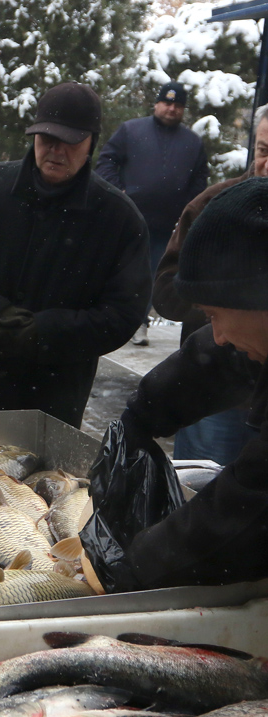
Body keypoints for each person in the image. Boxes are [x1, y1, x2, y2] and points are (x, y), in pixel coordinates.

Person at [0, 82, 150, 428]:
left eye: (70, 142)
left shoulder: (118, 219)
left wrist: (44, 332)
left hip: (53, 396)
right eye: (47, 139)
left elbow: (124, 313)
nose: (56, 151)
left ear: (92, 143)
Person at [113, 176, 268, 590]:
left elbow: (244, 515)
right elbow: (217, 358)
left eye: (215, 314)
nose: (217, 334)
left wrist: (140, 568)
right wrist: (143, 415)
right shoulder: (256, 325)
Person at [148, 105, 268, 465]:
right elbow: (167, 292)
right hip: (216, 396)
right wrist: (226, 310)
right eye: (264, 151)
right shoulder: (213, 209)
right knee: (202, 492)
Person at [96, 80, 209, 346]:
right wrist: (118, 191)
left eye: (178, 105)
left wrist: (189, 209)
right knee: (122, 272)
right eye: (167, 102)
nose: (171, 108)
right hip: (130, 220)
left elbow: (199, 179)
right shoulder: (131, 130)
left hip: (167, 226)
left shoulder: (192, 143)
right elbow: (107, 161)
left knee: (153, 276)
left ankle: (140, 322)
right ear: (156, 103)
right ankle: (116, 319)